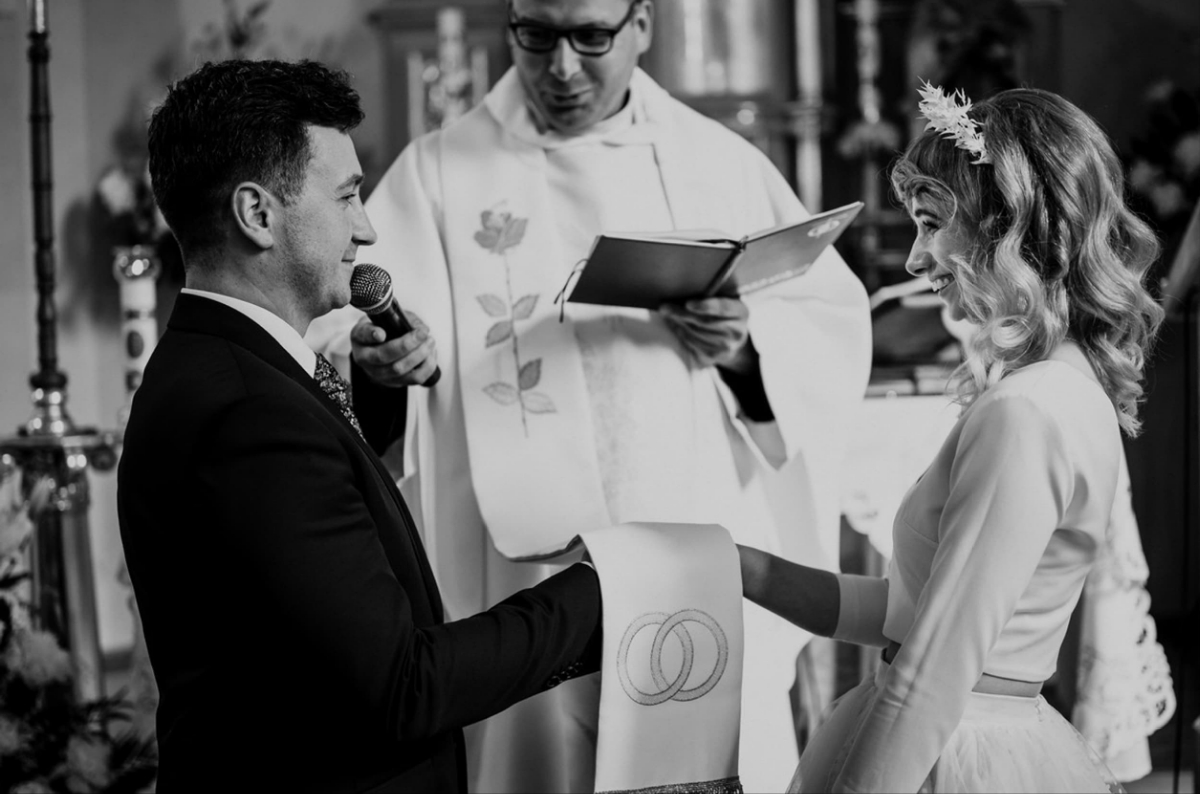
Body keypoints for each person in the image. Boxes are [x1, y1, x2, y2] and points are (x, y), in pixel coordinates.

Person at [304, 0, 872, 790]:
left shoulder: (718, 162)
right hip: (522, 578)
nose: (561, 66)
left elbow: (826, 330)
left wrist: (744, 351)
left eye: (591, 36)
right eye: (536, 36)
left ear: (642, 25)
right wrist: (381, 367)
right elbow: (342, 336)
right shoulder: (439, 171)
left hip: (692, 548)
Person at [117, 58, 604, 793]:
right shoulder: (250, 413)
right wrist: (604, 591)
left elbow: (306, 523)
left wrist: (377, 394)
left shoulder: (223, 367)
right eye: (347, 196)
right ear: (257, 214)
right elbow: (402, 688)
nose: (367, 227)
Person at [737, 84, 1164, 793]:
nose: (914, 258)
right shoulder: (1063, 386)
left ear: (1009, 225)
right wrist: (749, 572)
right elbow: (909, 615)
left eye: (931, 223)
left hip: (946, 752)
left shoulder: (1025, 413)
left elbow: (932, 671)